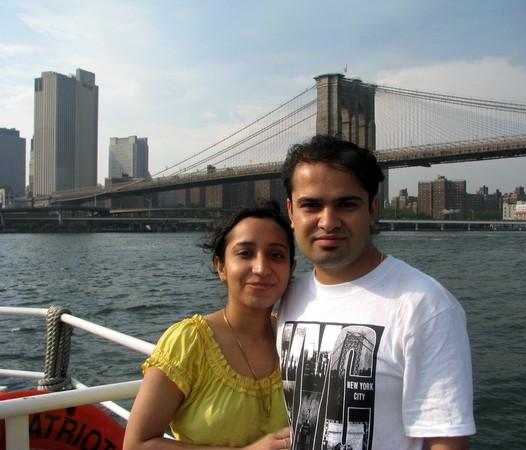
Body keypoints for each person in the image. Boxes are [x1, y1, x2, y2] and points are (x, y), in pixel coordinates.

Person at [277, 135, 476, 450]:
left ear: (371, 209)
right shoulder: (290, 296)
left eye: (346, 204)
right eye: (311, 205)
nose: (327, 222)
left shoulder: (425, 304)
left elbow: (446, 441)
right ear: (291, 211)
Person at [124, 203, 295, 450]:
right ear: (221, 267)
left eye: (276, 255)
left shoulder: (297, 337)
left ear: (291, 269)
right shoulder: (189, 342)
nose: (261, 268)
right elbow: (136, 444)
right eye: (245, 253)